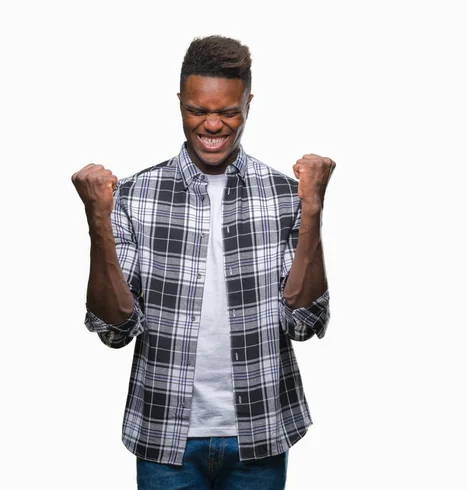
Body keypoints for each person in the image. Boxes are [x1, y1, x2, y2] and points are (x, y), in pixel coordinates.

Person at [71, 35, 335, 489]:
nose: (212, 124)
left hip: (261, 431)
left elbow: (303, 322)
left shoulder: (283, 194)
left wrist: (312, 210)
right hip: (164, 436)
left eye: (228, 111)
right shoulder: (135, 195)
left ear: (249, 103)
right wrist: (98, 219)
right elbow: (114, 328)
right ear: (179, 102)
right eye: (197, 110)